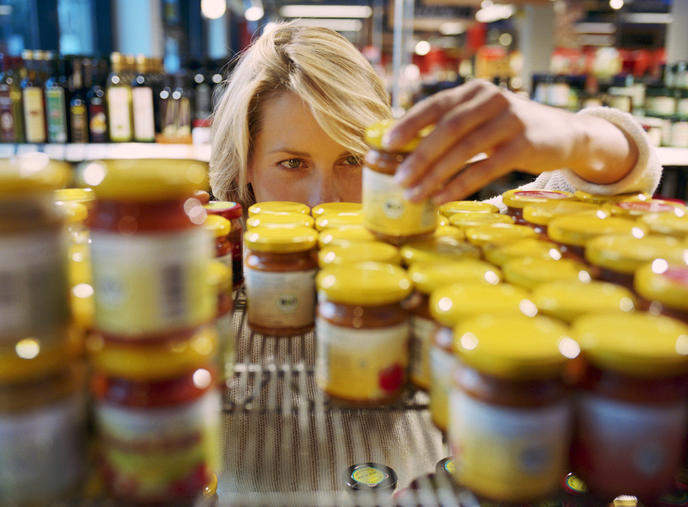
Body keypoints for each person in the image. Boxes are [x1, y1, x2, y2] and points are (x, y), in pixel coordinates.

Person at [210, 22, 661, 210]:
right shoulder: (195, 275)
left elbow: (628, 173)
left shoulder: (435, 243)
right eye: (292, 163)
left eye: (353, 160)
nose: (325, 199)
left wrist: (576, 135)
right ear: (245, 165)